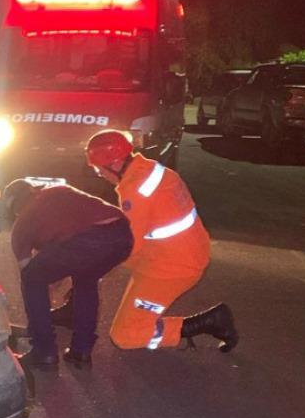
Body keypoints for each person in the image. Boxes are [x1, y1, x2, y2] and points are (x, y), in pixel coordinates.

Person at [85, 130, 238, 352]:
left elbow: (128, 244)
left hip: (170, 267)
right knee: (128, 294)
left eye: (99, 169)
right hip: (180, 253)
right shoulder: (153, 170)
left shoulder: (135, 191)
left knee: (125, 336)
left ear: (116, 163)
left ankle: (209, 322)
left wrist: (92, 264)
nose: (100, 174)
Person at [0, 179, 134, 367]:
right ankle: (81, 351)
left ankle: (44, 352)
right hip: (121, 234)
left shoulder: (22, 225)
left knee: (32, 280)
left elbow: (30, 270)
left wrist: (46, 289)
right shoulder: (59, 190)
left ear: (14, 206)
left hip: (85, 240)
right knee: (86, 280)